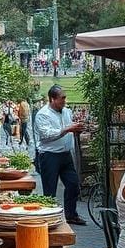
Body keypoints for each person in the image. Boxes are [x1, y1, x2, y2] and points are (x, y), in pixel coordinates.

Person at [35, 85, 86, 225]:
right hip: (49, 155)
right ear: (52, 99)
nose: (64, 100)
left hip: (65, 154)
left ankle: (71, 214)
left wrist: (76, 129)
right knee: (50, 189)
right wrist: (68, 129)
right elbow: (46, 135)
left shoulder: (66, 112)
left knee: (73, 183)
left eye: (65, 97)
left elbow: (68, 128)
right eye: (62, 98)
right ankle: (48, 217)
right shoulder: (42, 114)